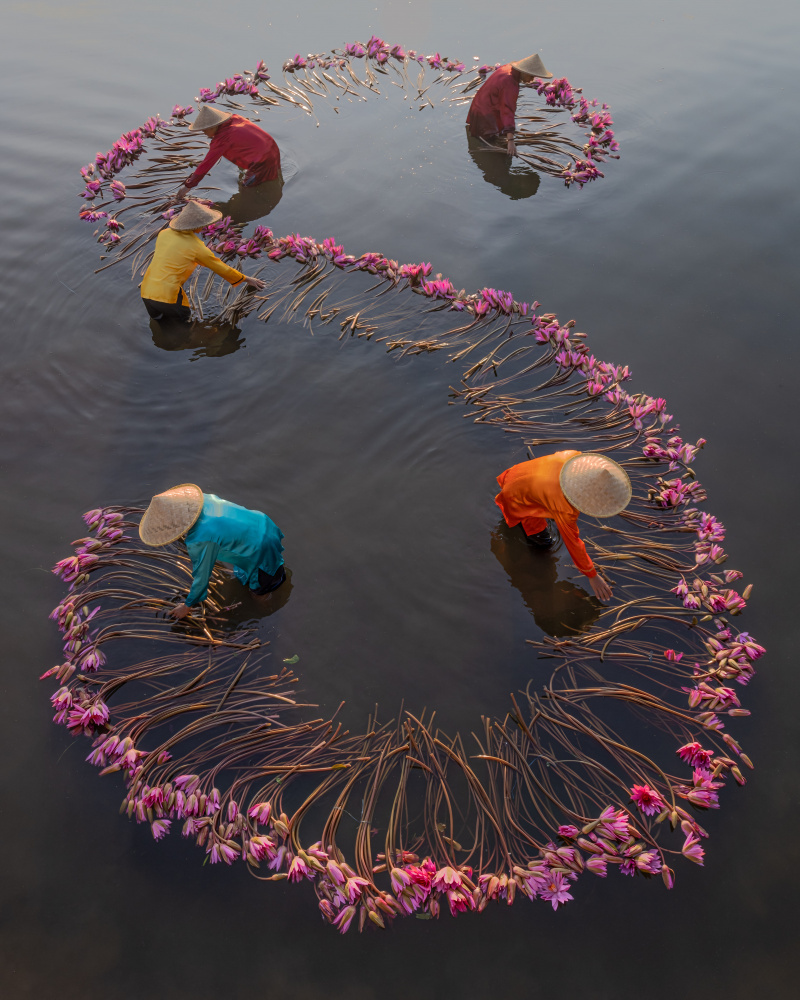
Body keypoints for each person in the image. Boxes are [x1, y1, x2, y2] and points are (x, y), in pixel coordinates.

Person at [494, 451, 632, 602]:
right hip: (517, 497)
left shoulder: (574, 457)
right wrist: (592, 576)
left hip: (517, 474)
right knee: (544, 543)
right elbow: (573, 543)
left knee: (542, 508)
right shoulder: (565, 509)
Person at [138, 484, 286, 619]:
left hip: (261, 549)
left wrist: (186, 606)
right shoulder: (204, 499)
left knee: (259, 591)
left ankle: (269, 612)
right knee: (258, 568)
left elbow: (201, 579)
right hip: (262, 524)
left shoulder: (200, 539)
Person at [139, 201, 265, 321]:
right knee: (183, 326)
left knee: (160, 322)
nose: (205, 226)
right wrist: (246, 279)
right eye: (204, 223)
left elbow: (164, 260)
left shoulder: (164, 233)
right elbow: (220, 268)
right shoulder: (196, 247)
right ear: (197, 226)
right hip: (167, 297)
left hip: (145, 291)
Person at [174, 105, 281, 202]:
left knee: (246, 191)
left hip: (262, 161)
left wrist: (188, 185)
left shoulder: (222, 139)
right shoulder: (235, 118)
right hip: (272, 148)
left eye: (204, 130)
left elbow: (206, 164)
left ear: (212, 126)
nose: (204, 133)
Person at [466, 53, 553, 157]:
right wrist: (510, 140)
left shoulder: (508, 68)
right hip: (485, 115)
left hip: (479, 106)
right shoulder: (510, 83)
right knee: (490, 151)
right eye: (531, 75)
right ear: (524, 72)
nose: (532, 79)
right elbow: (507, 110)